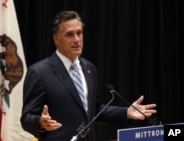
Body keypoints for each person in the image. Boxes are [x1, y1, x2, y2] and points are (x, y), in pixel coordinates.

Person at [20, 10, 157, 141]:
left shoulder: (89, 68)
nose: (76, 39)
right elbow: (26, 118)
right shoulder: (39, 72)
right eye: (70, 34)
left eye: (79, 33)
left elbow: (94, 110)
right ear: (56, 39)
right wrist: (40, 122)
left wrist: (125, 112)